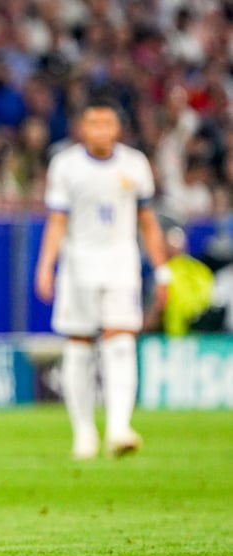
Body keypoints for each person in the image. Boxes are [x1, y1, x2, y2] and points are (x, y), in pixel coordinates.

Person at [34, 97, 169, 460]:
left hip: (121, 261)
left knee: (121, 341)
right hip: (78, 262)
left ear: (117, 127)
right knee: (78, 346)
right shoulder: (66, 165)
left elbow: (148, 221)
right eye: (94, 123)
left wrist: (162, 268)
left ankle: (119, 428)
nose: (101, 130)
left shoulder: (135, 164)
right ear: (82, 127)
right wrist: (45, 265)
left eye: (107, 123)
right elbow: (57, 220)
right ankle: (83, 434)